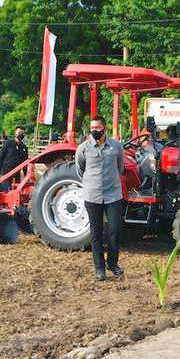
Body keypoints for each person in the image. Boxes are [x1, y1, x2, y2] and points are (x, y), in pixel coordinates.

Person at [75, 116, 125, 282]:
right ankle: (99, 268)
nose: (94, 130)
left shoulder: (116, 146)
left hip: (113, 194)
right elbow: (80, 170)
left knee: (115, 230)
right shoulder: (83, 148)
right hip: (93, 195)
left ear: (105, 128)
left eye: (97, 127)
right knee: (96, 232)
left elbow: (120, 167)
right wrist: (92, 182)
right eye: (92, 127)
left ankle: (112, 263)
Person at [0, 126, 29, 192]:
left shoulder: (24, 148)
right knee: (4, 193)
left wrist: (26, 175)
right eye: (19, 132)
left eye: (23, 133)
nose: (21, 134)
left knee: (15, 194)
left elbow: (25, 163)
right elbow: (0, 157)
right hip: (5, 173)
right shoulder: (8, 144)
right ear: (15, 134)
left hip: (16, 175)